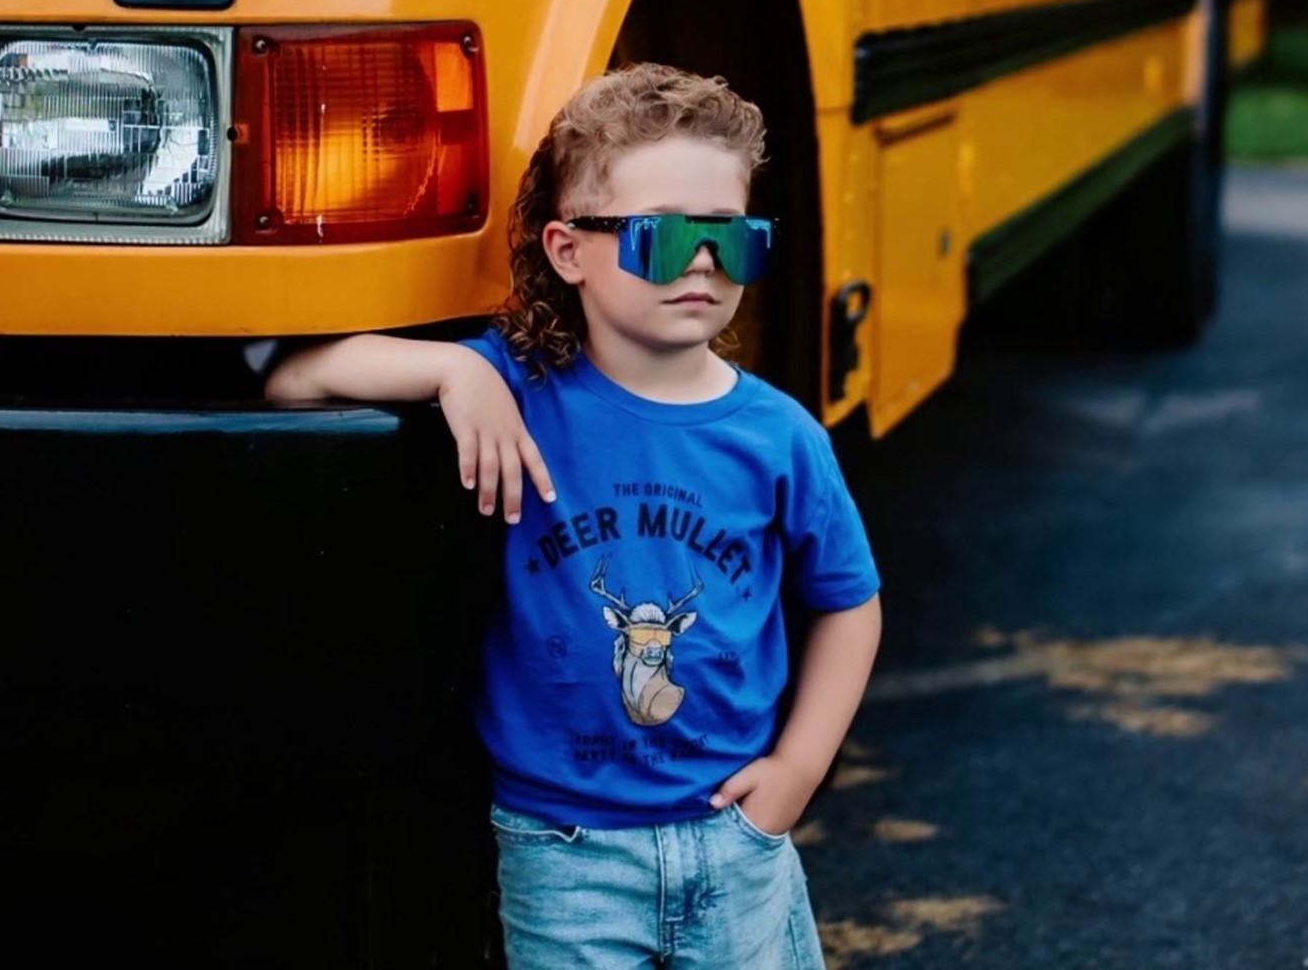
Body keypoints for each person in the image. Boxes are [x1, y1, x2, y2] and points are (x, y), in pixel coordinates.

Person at [266, 63, 883, 968]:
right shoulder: (523, 389)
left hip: (733, 838)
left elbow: (849, 600)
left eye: (732, 238)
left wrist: (796, 773)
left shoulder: (780, 437)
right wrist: (453, 372)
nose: (704, 264)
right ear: (568, 252)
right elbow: (295, 376)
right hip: (563, 853)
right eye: (662, 239)